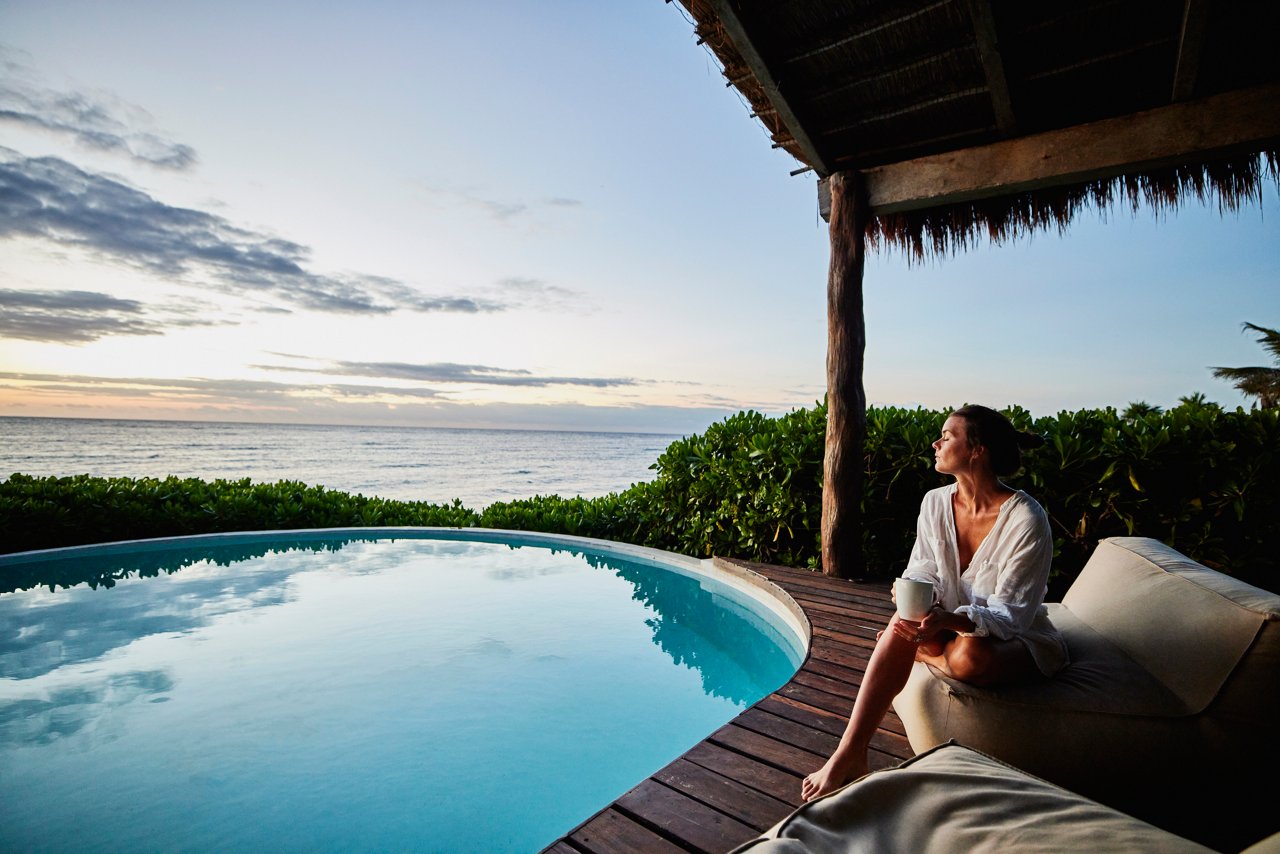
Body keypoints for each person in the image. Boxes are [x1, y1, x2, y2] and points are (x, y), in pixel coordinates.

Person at [800, 404, 1068, 802]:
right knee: (901, 625)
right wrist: (914, 593)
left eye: (948, 436)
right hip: (946, 626)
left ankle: (924, 657)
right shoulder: (935, 503)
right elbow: (923, 566)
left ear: (977, 450)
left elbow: (1011, 616)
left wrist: (949, 621)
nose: (935, 442)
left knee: (970, 658)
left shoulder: (1026, 518)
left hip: (1014, 637)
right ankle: (849, 752)